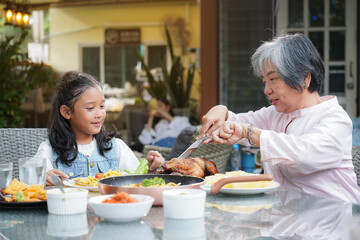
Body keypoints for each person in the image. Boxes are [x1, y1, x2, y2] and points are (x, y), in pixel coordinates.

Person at [198, 33, 360, 203]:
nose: (267, 90)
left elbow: (304, 156)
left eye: (273, 79)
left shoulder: (335, 119)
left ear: (304, 78)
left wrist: (250, 133)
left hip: (333, 220)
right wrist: (221, 111)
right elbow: (236, 124)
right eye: (264, 81)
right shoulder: (276, 114)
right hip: (287, 217)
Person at [35, 71, 164, 186]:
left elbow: (136, 180)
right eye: (90, 108)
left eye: (102, 106)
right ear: (67, 112)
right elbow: (32, 178)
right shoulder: (49, 150)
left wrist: (148, 168)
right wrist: (42, 176)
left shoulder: (116, 147)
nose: (99, 114)